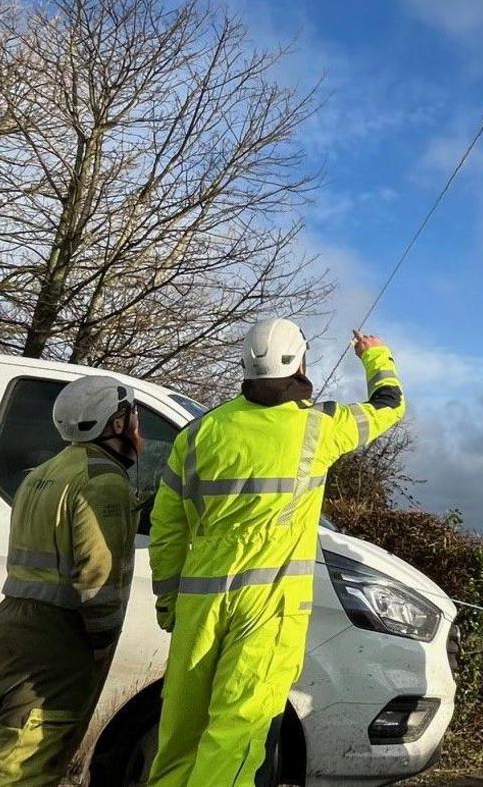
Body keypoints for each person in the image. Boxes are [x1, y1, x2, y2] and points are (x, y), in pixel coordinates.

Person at [146, 319, 404, 787]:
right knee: (237, 735)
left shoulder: (197, 434)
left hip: (199, 605)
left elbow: (165, 530)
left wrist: (169, 602)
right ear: (300, 363)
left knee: (180, 735)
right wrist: (376, 355)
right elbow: (389, 405)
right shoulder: (319, 427)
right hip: (268, 610)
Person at [0, 375, 142, 787]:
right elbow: (99, 579)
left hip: (11, 626)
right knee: (27, 764)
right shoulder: (103, 481)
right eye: (132, 417)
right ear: (115, 424)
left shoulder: (43, 472)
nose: (137, 427)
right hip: (56, 639)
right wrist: (103, 641)